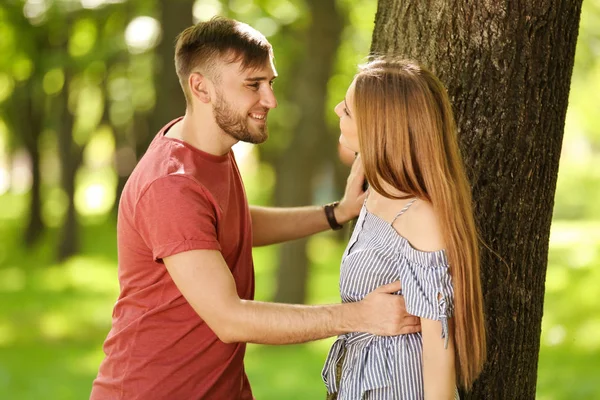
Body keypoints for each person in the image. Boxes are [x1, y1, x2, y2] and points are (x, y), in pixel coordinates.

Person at [90, 17, 421, 400]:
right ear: (201, 88)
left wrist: (337, 212)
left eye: (270, 83)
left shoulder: (205, 148)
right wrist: (358, 317)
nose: (270, 100)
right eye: (253, 85)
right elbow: (230, 318)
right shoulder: (171, 184)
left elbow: (230, 224)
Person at [321, 58, 487, 399]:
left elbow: (439, 346)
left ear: (379, 129)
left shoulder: (419, 218)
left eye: (349, 110)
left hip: (398, 384)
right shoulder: (375, 188)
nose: (338, 108)